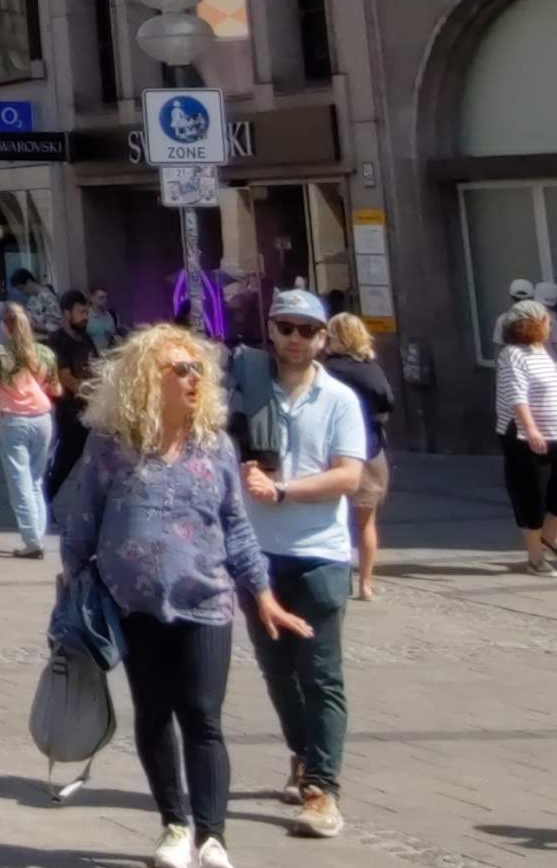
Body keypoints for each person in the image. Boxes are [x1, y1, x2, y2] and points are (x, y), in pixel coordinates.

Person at [52, 323, 310, 868]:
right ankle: (173, 825)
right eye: (181, 369)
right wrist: (73, 595)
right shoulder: (111, 447)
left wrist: (262, 594)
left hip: (206, 600)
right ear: (149, 377)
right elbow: (80, 524)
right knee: (152, 713)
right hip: (133, 605)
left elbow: (237, 528)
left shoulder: (214, 445)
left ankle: (212, 837)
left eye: (199, 369)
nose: (194, 378)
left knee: (202, 715)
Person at [236, 290, 368, 840]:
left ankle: (322, 789)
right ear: (272, 329)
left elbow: (348, 477)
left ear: (322, 340)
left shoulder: (339, 399)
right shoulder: (245, 394)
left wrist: (283, 490)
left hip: (320, 556)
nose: (293, 338)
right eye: (285, 327)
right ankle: (301, 752)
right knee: (276, 670)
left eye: (305, 330)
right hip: (257, 554)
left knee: (320, 673)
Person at [495, 303, 557, 573]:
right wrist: (530, 428)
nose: (551, 324)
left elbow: (547, 383)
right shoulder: (512, 354)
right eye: (546, 320)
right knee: (530, 494)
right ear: (532, 323)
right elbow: (516, 395)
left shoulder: (543, 350)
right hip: (523, 435)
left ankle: (549, 533)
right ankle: (536, 558)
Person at [317, 316, 396, 601]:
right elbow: (388, 400)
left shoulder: (324, 370)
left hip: (328, 452)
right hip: (368, 449)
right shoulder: (369, 370)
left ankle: (333, 579)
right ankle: (365, 583)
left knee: (327, 519)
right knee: (365, 522)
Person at [0, 304, 63, 559]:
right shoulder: (45, 353)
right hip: (43, 418)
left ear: (5, 325)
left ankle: (31, 540)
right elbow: (57, 389)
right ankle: (38, 535)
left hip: (13, 420)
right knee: (37, 479)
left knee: (19, 481)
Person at [49, 292, 104, 489]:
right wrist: (90, 393)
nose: (86, 316)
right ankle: (46, 496)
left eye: (86, 311)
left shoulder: (85, 337)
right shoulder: (57, 339)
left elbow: (96, 367)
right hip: (69, 409)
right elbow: (66, 378)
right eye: (81, 312)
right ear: (66, 313)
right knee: (67, 457)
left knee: (93, 458)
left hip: (90, 407)